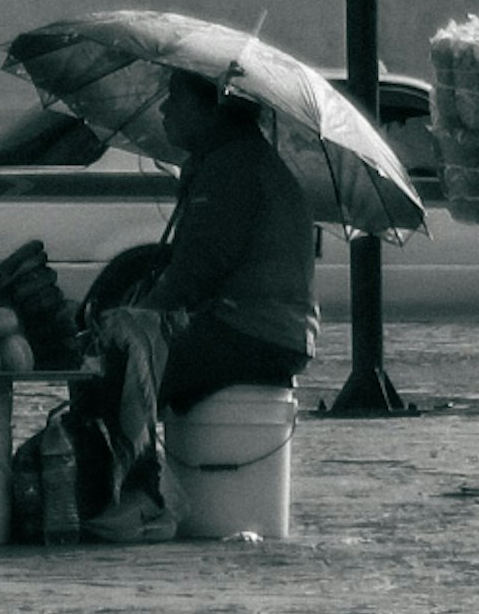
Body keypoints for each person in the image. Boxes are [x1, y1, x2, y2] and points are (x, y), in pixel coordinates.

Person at [61, 76, 320, 534]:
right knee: (121, 352)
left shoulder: (233, 169)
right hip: (261, 329)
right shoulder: (225, 162)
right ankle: (124, 492)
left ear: (214, 106)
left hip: (255, 332)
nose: (164, 111)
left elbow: (196, 273)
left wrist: (135, 320)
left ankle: (141, 499)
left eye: (176, 99)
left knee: (116, 360)